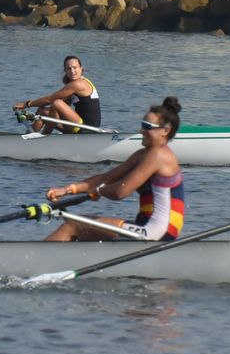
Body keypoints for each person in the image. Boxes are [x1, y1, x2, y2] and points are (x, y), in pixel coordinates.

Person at [43, 97, 185, 241]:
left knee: (72, 225)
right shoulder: (143, 154)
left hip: (157, 231)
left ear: (165, 131)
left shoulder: (159, 155)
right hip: (145, 226)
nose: (141, 131)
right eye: (142, 125)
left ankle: (36, 260)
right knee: (84, 229)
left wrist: (100, 191)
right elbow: (105, 178)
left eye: (147, 126)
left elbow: (121, 191)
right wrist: (67, 190)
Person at [14, 55, 101, 133]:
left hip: (87, 128)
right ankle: (28, 138)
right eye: (69, 68)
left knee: (56, 102)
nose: (72, 71)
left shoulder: (78, 84)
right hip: (77, 124)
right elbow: (63, 107)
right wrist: (36, 116)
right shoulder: (74, 85)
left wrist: (27, 104)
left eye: (75, 68)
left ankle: (45, 135)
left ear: (81, 69)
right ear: (65, 71)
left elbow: (50, 99)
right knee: (42, 111)